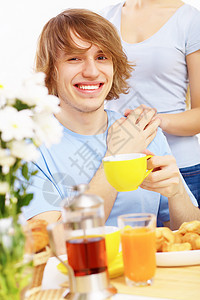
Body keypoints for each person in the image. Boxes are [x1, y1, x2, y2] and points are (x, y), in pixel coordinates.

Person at [22, 8, 200, 232]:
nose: (92, 71)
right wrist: (116, 157)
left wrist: (177, 194)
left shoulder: (140, 132)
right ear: (51, 70)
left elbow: (191, 230)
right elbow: (54, 244)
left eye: (101, 57)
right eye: (74, 58)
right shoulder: (27, 149)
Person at [100, 0, 200, 206]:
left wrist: (153, 121)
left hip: (180, 168)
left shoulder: (190, 20)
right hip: (121, 166)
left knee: (183, 237)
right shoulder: (104, 18)